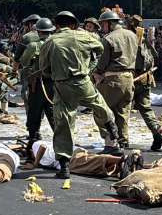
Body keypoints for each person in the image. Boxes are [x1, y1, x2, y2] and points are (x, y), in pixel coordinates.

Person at [39, 11, 120, 179]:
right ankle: (111, 126)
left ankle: (64, 166)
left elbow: (44, 68)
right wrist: (88, 64)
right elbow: (100, 47)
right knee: (98, 104)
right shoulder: (83, 36)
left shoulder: (49, 41)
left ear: (57, 25)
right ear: (74, 24)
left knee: (64, 123)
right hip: (83, 81)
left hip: (62, 85)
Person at [94, 10, 138, 150]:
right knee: (123, 112)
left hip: (112, 79)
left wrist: (96, 73)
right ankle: (123, 141)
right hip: (129, 78)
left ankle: (110, 142)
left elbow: (102, 63)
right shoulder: (132, 35)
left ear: (109, 23)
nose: (102, 27)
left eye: (103, 24)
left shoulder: (108, 39)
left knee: (102, 111)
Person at [127, 14, 162, 151]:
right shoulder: (143, 38)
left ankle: (121, 138)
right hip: (145, 78)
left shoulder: (130, 38)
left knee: (122, 108)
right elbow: (155, 56)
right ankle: (156, 132)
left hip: (132, 78)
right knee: (146, 108)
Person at [27, 139, 142, 180]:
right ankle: (132, 167)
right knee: (95, 167)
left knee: (95, 161)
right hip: (72, 155)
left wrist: (35, 164)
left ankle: (124, 159)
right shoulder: (47, 145)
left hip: (70, 157)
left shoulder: (36, 144)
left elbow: (42, 147)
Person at [20, 18, 56, 144]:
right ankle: (61, 138)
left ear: (39, 32)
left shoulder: (33, 46)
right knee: (53, 111)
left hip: (37, 83)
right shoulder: (57, 45)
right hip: (54, 83)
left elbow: (24, 62)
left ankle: (33, 138)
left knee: (34, 111)